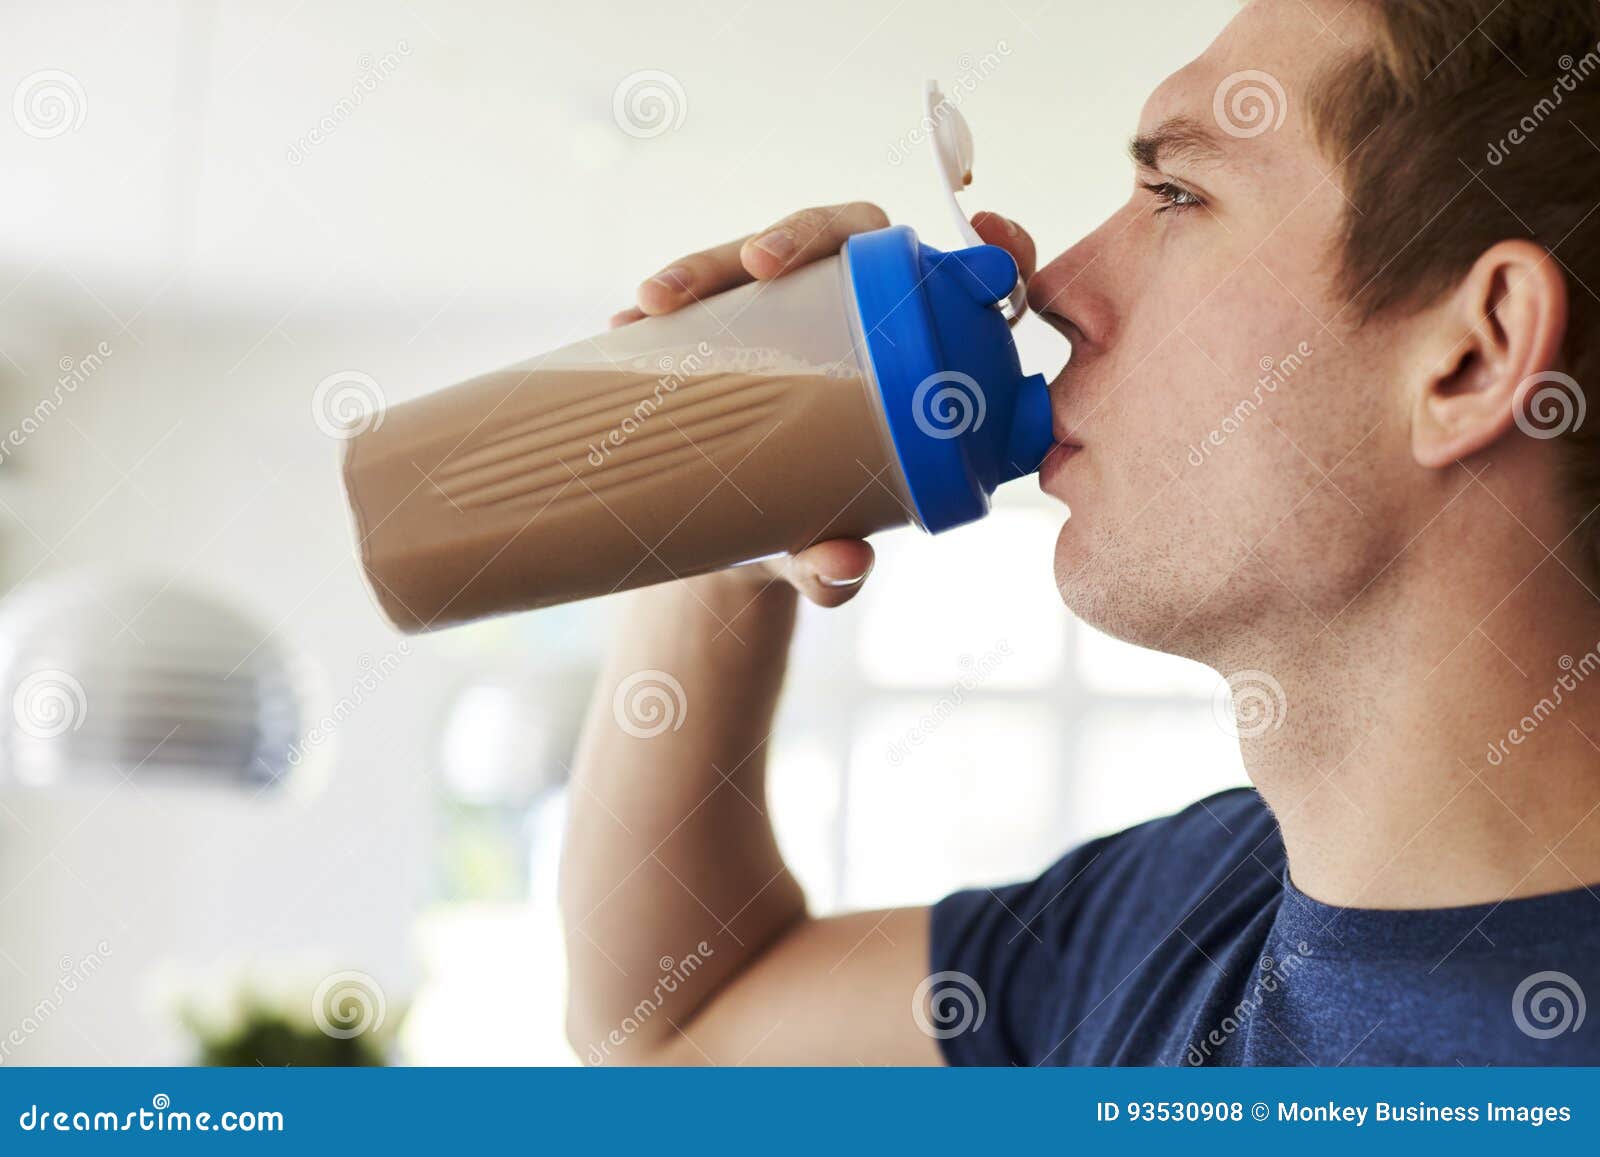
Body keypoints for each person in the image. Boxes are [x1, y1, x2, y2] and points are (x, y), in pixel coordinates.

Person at [560, 0, 1600, 1065]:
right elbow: (676, 1026)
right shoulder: (1186, 907)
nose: (1050, 284)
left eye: (1177, 193)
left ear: (1474, 357)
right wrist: (725, 529)